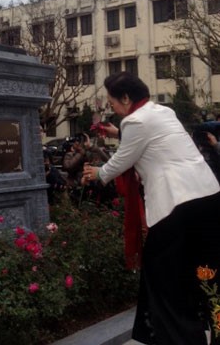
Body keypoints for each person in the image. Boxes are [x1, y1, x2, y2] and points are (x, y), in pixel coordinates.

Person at [82, 72, 220, 345]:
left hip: (176, 204)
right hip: (208, 196)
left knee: (163, 276)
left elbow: (121, 160)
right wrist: (119, 131)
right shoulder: (163, 111)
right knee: (207, 270)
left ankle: (182, 338)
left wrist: (97, 173)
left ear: (125, 97)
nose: (113, 109)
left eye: (113, 103)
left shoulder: (134, 120)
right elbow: (153, 133)